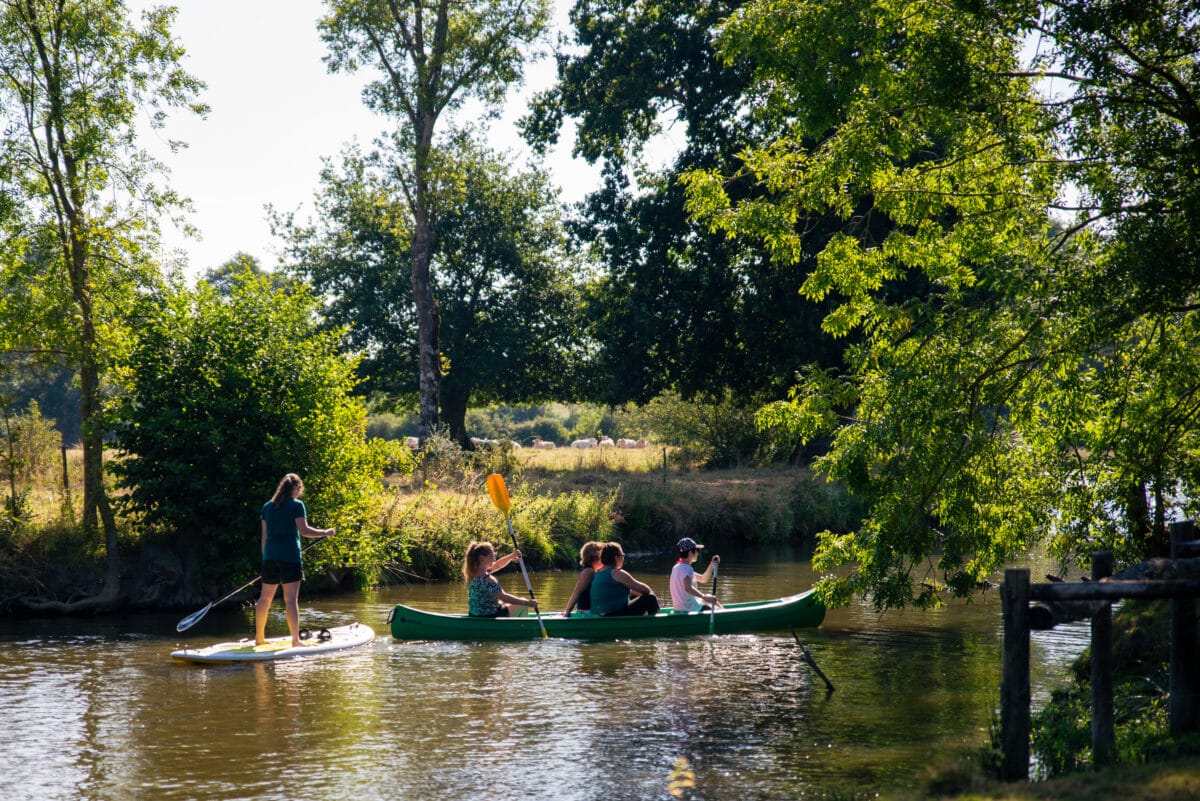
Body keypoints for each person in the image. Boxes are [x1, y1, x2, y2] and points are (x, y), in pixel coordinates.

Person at [255, 473, 335, 647]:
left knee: (264, 598)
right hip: (290, 557)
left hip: (269, 557)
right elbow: (304, 530)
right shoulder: (297, 505)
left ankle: (259, 639)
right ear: (297, 488)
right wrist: (325, 532)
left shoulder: (267, 506)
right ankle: (295, 640)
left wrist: (266, 558)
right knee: (290, 600)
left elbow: (264, 536)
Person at [463, 541, 538, 617]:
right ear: (482, 558)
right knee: (522, 605)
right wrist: (527, 603)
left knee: (502, 603)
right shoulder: (489, 579)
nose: (494, 559)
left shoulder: (471, 573)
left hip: (474, 614)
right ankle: (520, 627)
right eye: (491, 556)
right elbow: (504, 597)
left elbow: (497, 565)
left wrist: (512, 556)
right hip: (490, 615)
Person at [589, 541, 660, 616]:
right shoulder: (616, 573)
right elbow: (645, 589)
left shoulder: (598, 573)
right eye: (622, 555)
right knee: (650, 598)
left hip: (602, 614)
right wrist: (655, 598)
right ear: (616, 558)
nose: (623, 558)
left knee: (634, 596)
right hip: (614, 615)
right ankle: (655, 623)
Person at [669, 537, 720, 613]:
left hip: (682, 608)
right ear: (690, 553)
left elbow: (703, 579)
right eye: (696, 550)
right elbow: (688, 588)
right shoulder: (686, 569)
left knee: (712, 599)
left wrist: (711, 565)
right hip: (689, 608)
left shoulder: (677, 567)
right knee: (715, 605)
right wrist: (704, 597)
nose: (697, 553)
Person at [562, 540, 603, 616]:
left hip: (590, 610)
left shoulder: (591, 570)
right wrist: (567, 612)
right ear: (595, 557)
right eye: (602, 556)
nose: (603, 560)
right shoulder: (589, 571)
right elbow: (577, 592)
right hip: (587, 612)